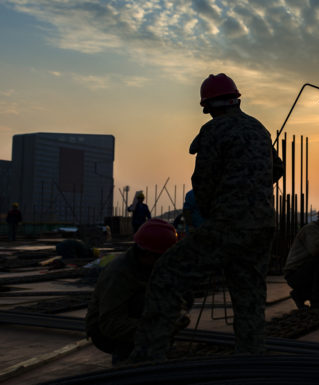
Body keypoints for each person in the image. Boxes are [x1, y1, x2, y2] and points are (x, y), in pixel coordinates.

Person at [128, 73, 276, 362]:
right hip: (262, 227)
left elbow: (203, 185)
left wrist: (210, 217)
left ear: (208, 106)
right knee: (249, 297)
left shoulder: (214, 131)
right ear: (236, 99)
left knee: (167, 274)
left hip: (229, 225)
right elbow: (276, 169)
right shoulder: (260, 130)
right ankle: (251, 358)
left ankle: (148, 358)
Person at [86, 219, 179, 365]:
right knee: (141, 301)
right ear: (149, 254)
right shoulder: (119, 273)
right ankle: (125, 360)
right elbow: (110, 323)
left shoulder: (151, 266)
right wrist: (154, 330)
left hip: (135, 324)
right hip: (106, 332)